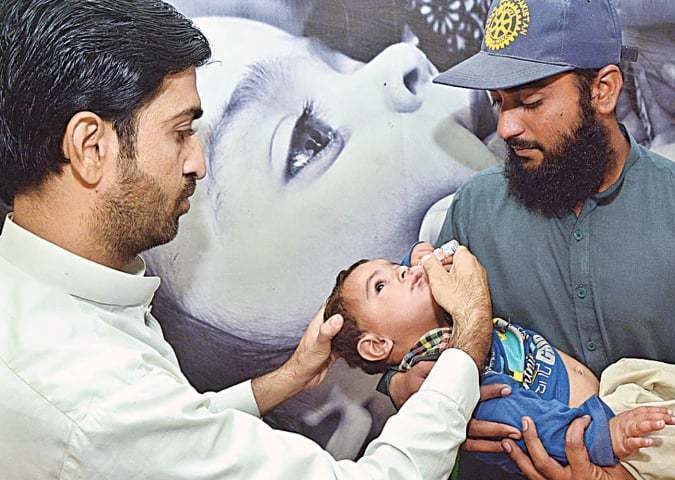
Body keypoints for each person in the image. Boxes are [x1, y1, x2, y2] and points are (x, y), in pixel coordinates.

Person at [0, 1, 498, 478]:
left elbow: (170, 439)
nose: (196, 163)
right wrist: (468, 337)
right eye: (180, 132)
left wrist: (286, 378)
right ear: (91, 148)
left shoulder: (44, 303)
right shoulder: (96, 399)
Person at [385, 0, 675, 478]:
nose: (506, 127)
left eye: (530, 102)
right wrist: (402, 386)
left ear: (603, 90)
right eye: (499, 102)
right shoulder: (475, 210)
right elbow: (414, 335)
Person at [322, 255, 675, 479]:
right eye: (381, 285)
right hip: (598, 442)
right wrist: (605, 436)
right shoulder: (446, 379)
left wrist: (425, 260)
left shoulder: (452, 323)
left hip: (610, 397)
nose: (404, 270)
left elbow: (430, 254)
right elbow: (523, 424)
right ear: (376, 344)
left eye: (396, 265)